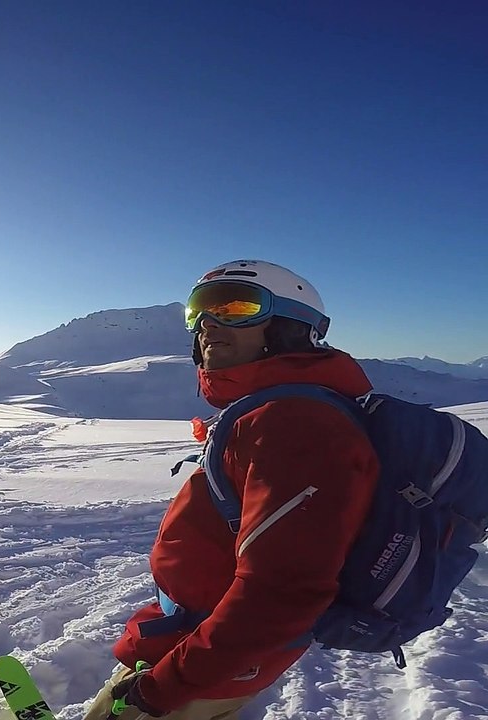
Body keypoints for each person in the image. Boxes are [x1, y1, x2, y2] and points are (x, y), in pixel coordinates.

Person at [83, 259, 380, 719]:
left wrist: (165, 688)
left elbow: (280, 592)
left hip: (205, 660)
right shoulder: (270, 412)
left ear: (290, 327)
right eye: (198, 312)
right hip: (194, 640)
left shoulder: (297, 425)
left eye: (237, 307)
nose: (208, 325)